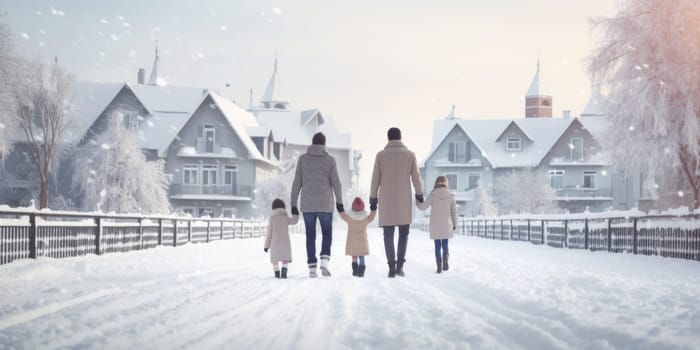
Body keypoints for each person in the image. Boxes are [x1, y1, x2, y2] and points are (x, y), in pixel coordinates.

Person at [369, 127, 423, 278]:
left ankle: (391, 267)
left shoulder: (380, 156)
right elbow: (416, 178)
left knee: (388, 234)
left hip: (386, 200)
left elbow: (375, 179)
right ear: (400, 137)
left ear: (388, 138)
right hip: (404, 200)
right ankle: (400, 266)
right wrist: (419, 194)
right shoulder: (410, 155)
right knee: (403, 234)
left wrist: (373, 198)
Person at [291, 132, 344, 278]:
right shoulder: (330, 160)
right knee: (327, 234)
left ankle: (312, 267)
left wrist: (293, 204)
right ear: (324, 144)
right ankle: (325, 262)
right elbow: (337, 183)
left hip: (307, 205)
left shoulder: (302, 159)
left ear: (312, 143)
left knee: (310, 236)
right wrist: (340, 202)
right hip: (325, 205)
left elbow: (297, 182)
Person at [416, 176, 457, 273]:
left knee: (437, 245)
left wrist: (417, 201)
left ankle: (439, 267)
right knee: (445, 243)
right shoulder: (451, 196)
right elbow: (454, 212)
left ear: (436, 183)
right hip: (447, 224)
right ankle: (446, 261)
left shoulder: (432, 195)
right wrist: (454, 224)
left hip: (435, 224)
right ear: (446, 183)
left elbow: (422, 207)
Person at [339, 197, 377, 277]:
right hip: (362, 242)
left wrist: (340, 209)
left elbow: (343, 216)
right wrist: (373, 209)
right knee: (361, 256)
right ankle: (361, 272)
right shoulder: (365, 219)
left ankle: (355, 271)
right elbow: (372, 217)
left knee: (354, 256)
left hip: (352, 242)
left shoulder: (350, 218)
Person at [264, 199, 300, 279]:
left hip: (274, 243)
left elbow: (269, 233)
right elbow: (294, 221)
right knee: (285, 258)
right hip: (285, 243)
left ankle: (277, 274)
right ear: (283, 207)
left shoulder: (272, 218)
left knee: (275, 260)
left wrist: (266, 246)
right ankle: (284, 273)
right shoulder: (285, 217)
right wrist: (295, 213)